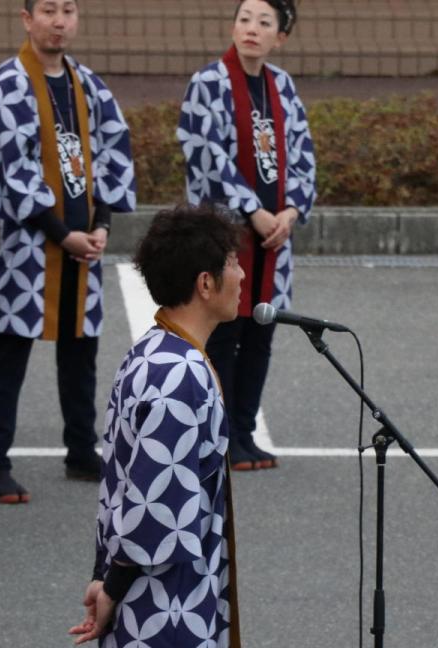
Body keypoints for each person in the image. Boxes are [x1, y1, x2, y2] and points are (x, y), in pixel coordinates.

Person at [70, 206, 246, 648]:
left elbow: (125, 483)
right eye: (231, 263)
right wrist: (115, 586)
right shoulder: (179, 374)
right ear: (205, 283)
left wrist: (104, 577)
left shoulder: (157, 352)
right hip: (161, 596)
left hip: (145, 584)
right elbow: (157, 507)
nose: (242, 275)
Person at [0, 0, 135, 503]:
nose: (60, 20)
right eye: (48, 9)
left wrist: (101, 223)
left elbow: (112, 150)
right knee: (8, 353)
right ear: (27, 18)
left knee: (80, 353)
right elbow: (12, 166)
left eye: (69, 9)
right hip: (29, 246)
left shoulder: (88, 83)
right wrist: (59, 230)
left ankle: (80, 450)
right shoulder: (8, 83)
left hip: (84, 242)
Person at [177, 0, 315, 472]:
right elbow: (205, 155)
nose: (251, 29)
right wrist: (252, 210)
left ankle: (245, 430)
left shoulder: (283, 86)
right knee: (224, 332)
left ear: (282, 36)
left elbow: (302, 152)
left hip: (275, 237)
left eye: (264, 23)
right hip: (228, 232)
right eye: (244, 19)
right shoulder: (208, 83)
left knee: (261, 333)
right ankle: (220, 437)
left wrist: (291, 210)